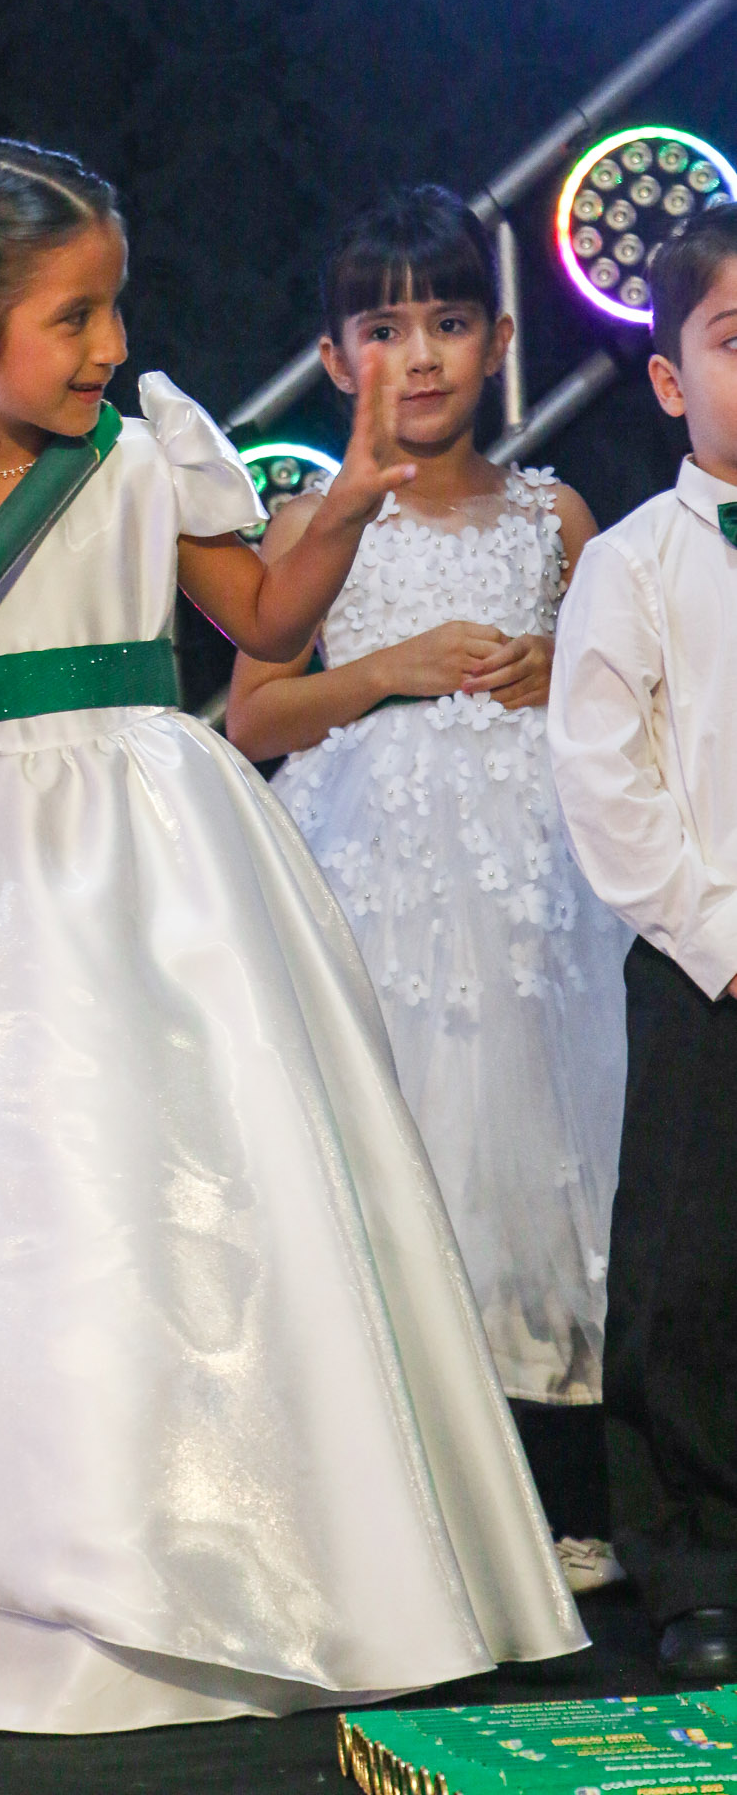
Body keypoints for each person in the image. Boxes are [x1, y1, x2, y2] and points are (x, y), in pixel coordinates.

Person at [0, 116, 582, 1752]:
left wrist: (347, 500)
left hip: (158, 870)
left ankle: (264, 1560)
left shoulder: (141, 460)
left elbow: (262, 618)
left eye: (113, 307)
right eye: (73, 318)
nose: (111, 345)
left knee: (189, 1187)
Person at [226, 188, 631, 1594]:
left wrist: (556, 670)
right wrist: (386, 672)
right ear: (335, 358)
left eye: (450, 323)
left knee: (541, 1160)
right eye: (386, 329)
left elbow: (622, 693)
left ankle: (560, 1491)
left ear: (499, 343)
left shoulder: (552, 514)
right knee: (405, 1146)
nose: (420, 356)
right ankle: (404, 1508)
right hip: (375, 885)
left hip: (536, 894)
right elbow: (252, 715)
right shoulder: (308, 519)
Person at [549, 200, 737, 1682]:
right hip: (706, 969)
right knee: (687, 1272)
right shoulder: (632, 564)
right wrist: (719, 936)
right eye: (736, 340)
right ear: (671, 378)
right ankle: (696, 1566)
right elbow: (605, 783)